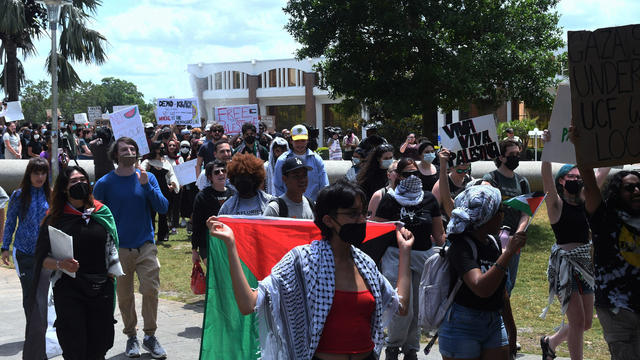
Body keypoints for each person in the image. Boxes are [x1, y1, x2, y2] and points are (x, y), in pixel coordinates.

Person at [207, 179, 415, 360]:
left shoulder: (365, 265)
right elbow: (248, 304)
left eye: (363, 213)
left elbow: (401, 306)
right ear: (328, 220)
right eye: (352, 214)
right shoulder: (302, 261)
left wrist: (405, 252)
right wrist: (231, 245)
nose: (361, 220)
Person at [33, 165, 123, 359]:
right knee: (74, 346)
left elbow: (113, 247)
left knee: (100, 345)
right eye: (74, 181)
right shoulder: (55, 218)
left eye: (83, 180)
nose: (80, 184)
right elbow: (41, 258)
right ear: (65, 188)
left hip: (101, 289)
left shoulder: (102, 213)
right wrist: (60, 265)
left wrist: (109, 278)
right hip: (69, 290)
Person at [93, 137, 169, 359]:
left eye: (133, 148)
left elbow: (163, 207)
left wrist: (147, 186)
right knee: (125, 297)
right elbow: (94, 215)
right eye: (124, 149)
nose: (129, 151)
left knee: (150, 290)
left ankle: (150, 336)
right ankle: (131, 337)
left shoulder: (148, 177)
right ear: (115, 155)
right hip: (119, 249)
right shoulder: (105, 183)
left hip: (146, 245)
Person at [572, 130, 640, 359]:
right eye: (629, 188)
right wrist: (580, 147)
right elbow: (590, 186)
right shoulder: (605, 219)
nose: (636, 191)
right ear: (617, 192)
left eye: (639, 186)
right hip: (617, 309)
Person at [438, 185, 526, 360]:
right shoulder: (461, 246)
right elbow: (481, 288)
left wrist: (511, 329)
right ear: (486, 215)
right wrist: (508, 252)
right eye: (500, 210)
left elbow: (502, 291)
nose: (503, 215)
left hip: (493, 322)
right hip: (462, 325)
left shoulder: (492, 242)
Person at [372, 157, 445, 360]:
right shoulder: (389, 199)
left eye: (415, 174)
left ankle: (411, 348)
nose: (411, 178)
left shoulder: (429, 199)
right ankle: (393, 346)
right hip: (396, 256)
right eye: (406, 175)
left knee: (417, 307)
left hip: (423, 255)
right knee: (401, 305)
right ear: (398, 177)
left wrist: (445, 250)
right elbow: (378, 230)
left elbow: (439, 232)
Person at [539, 160, 594, 360]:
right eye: (572, 177)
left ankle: (550, 342)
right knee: (577, 321)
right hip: (564, 267)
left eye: (579, 177)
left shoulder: (587, 200)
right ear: (561, 180)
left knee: (586, 323)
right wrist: (547, 151)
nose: (576, 180)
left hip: (585, 267)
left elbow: (599, 174)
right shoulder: (556, 204)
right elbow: (546, 180)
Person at [2, 157, 50, 315]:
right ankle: (32, 331)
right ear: (29, 174)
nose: (40, 177)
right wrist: (4, 247)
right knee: (29, 294)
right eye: (36, 173)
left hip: (46, 254)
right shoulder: (18, 195)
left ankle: (43, 331)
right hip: (24, 252)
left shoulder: (51, 195)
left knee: (45, 295)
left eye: (43, 173)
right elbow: (10, 222)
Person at [482, 139, 530, 295]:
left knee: (509, 283)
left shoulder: (522, 182)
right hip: (493, 239)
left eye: (518, 154)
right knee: (491, 279)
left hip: (512, 240)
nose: (516, 157)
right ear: (501, 157)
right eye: (512, 154)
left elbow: (525, 213)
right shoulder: (490, 179)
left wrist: (518, 234)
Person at [191, 160, 234, 265]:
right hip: (208, 242)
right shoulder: (202, 196)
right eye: (216, 172)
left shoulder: (233, 194)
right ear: (210, 177)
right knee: (214, 273)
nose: (221, 174)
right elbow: (197, 224)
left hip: (228, 242)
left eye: (223, 171)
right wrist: (194, 250)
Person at [273, 124, 329, 201]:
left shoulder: (317, 160)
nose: (300, 144)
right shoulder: (282, 161)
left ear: (308, 140)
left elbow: (324, 186)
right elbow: (277, 186)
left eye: (303, 140)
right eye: (297, 141)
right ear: (291, 141)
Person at [141, 141, 179, 242]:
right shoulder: (147, 162)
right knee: (151, 213)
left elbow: (172, 174)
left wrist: (173, 184)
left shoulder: (166, 162)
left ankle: (163, 235)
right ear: (155, 149)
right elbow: (140, 172)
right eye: (160, 148)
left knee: (163, 213)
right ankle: (150, 234)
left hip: (164, 190)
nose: (162, 150)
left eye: (163, 148)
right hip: (150, 190)